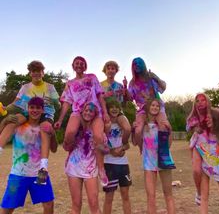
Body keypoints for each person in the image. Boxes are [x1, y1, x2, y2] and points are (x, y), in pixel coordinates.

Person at [0, 97, 63, 214]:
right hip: (18, 175)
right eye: (32, 107)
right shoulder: (18, 123)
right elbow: (3, 136)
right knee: (6, 210)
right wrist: (4, 121)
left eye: (38, 108)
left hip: (39, 173)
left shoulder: (44, 126)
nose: (35, 110)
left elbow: (53, 149)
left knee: (48, 203)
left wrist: (52, 133)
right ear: (28, 108)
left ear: (42, 110)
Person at [54, 56, 110, 187]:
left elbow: (100, 95)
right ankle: (70, 154)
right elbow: (67, 102)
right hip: (79, 112)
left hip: (94, 111)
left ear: (85, 66)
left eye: (82, 63)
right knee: (70, 133)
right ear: (73, 66)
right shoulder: (70, 83)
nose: (79, 65)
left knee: (98, 137)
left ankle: (101, 169)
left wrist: (105, 112)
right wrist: (60, 120)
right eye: (76, 63)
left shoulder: (92, 77)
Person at [0, 60, 60, 180]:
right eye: (34, 71)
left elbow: (58, 105)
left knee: (45, 128)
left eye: (39, 71)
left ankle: (43, 168)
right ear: (30, 73)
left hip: (46, 114)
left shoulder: (50, 87)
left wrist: (53, 103)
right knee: (12, 121)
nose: (36, 73)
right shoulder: (25, 87)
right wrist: (6, 108)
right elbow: (16, 103)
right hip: (28, 112)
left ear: (43, 73)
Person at [65, 102, 108, 214]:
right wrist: (70, 140)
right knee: (76, 204)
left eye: (92, 110)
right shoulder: (74, 127)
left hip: (90, 168)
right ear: (81, 111)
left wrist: (102, 147)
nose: (88, 112)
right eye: (86, 110)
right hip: (74, 168)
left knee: (94, 204)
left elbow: (105, 148)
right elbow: (65, 146)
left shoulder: (97, 130)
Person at [186, 93, 219, 208]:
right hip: (201, 146)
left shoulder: (216, 113)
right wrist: (194, 128)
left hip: (218, 143)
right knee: (196, 171)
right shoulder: (194, 116)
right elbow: (188, 127)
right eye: (197, 101)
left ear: (208, 101)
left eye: (203, 100)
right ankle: (198, 193)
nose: (200, 103)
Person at [141, 98, 177, 214]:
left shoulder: (163, 123)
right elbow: (137, 142)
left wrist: (169, 131)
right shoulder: (143, 125)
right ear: (148, 107)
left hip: (164, 161)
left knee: (168, 195)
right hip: (149, 164)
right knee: (151, 197)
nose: (155, 107)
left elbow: (168, 145)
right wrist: (137, 128)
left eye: (157, 105)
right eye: (152, 105)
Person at [102, 99, 137, 214]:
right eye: (112, 107)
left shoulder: (123, 123)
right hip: (109, 164)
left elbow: (127, 144)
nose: (114, 109)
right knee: (108, 198)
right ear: (107, 109)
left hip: (123, 164)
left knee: (125, 196)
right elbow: (98, 144)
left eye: (117, 107)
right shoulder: (104, 124)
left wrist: (122, 149)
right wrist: (111, 151)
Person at [126, 57, 167, 150]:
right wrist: (125, 89)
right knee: (138, 130)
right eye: (135, 64)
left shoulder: (151, 77)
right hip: (143, 109)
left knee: (163, 126)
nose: (137, 65)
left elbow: (163, 87)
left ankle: (163, 152)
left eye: (139, 63)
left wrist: (155, 77)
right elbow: (130, 98)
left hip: (157, 106)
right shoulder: (132, 83)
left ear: (143, 64)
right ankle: (143, 150)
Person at [100, 60, 131, 146]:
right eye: (108, 68)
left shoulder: (120, 85)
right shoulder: (100, 85)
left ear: (116, 71)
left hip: (118, 112)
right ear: (105, 71)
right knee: (105, 129)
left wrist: (125, 87)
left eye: (113, 68)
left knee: (128, 128)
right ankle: (106, 145)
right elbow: (97, 100)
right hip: (105, 112)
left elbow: (126, 101)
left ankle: (124, 143)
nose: (110, 70)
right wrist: (105, 96)